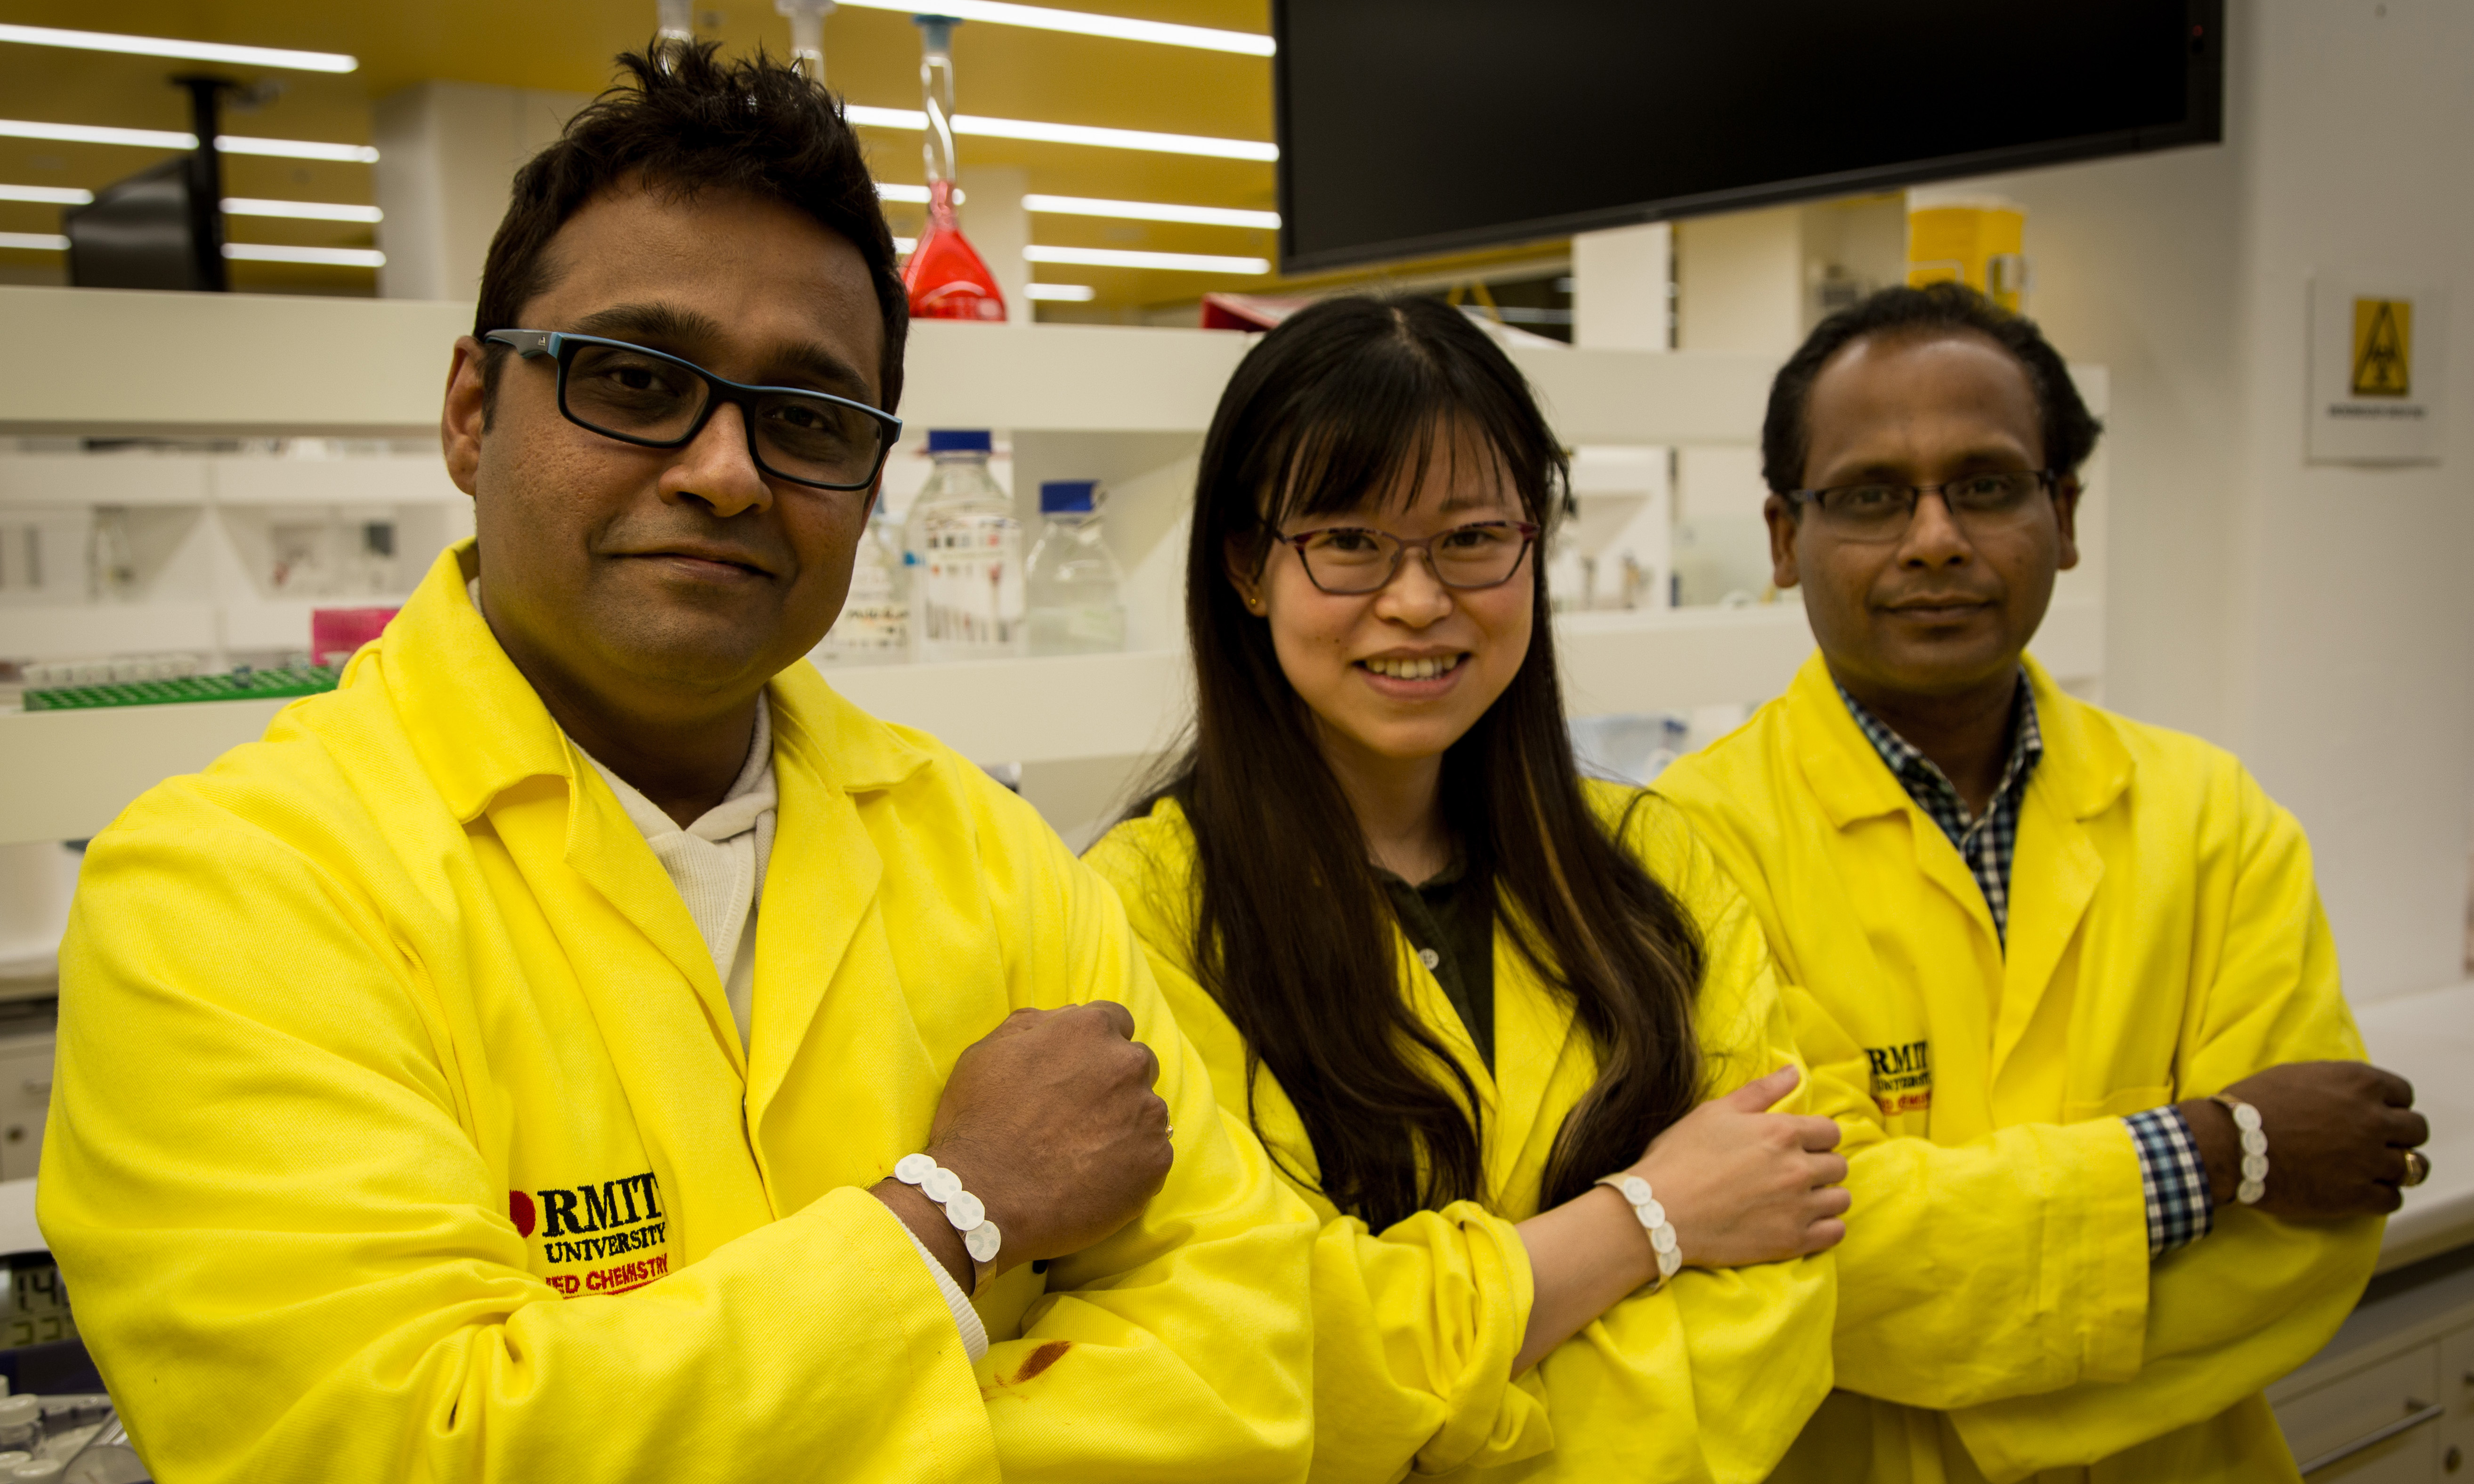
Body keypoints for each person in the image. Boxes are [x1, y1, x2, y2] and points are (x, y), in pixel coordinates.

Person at [37, 43, 1315, 1484]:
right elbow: (392, 1449)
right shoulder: (234, 894)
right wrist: (955, 1214)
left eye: (809, 417)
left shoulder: (985, 851)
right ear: (472, 411)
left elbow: (1247, 1360)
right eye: (637, 382)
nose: (724, 470)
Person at [1655, 282, 2433, 1483]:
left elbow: (2316, 1233)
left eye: (1985, 484)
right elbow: (1814, 1266)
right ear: (1779, 538)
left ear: (2061, 516)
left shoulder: (2211, 821)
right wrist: (2222, 1150)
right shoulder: (1685, 848)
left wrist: (1965, 1317)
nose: (1933, 538)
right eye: (1869, 496)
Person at [1082, 295, 1852, 1484]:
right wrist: (1650, 1217)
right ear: (1245, 566)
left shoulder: (1651, 867)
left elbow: (1779, 1278)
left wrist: (1451, 1415)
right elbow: (1275, 1353)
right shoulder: (1139, 914)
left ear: (1532, 549)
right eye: (1346, 541)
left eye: (1470, 538)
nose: (1416, 601)